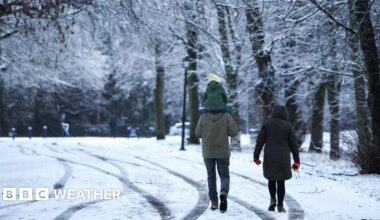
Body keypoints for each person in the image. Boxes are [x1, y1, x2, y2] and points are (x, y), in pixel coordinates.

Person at [253, 105, 300, 213]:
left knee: (271, 179)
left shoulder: (267, 124)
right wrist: (297, 160)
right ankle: (280, 205)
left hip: (270, 156)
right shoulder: (288, 126)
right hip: (283, 158)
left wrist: (256, 156)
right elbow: (294, 145)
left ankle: (272, 200)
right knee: (281, 181)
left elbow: (260, 141)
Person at [195, 110, 239, 213]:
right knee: (224, 175)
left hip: (208, 151)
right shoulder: (226, 116)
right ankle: (223, 192)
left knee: (211, 176)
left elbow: (197, 133)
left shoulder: (203, 116)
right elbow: (233, 131)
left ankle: (214, 202)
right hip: (222, 151)